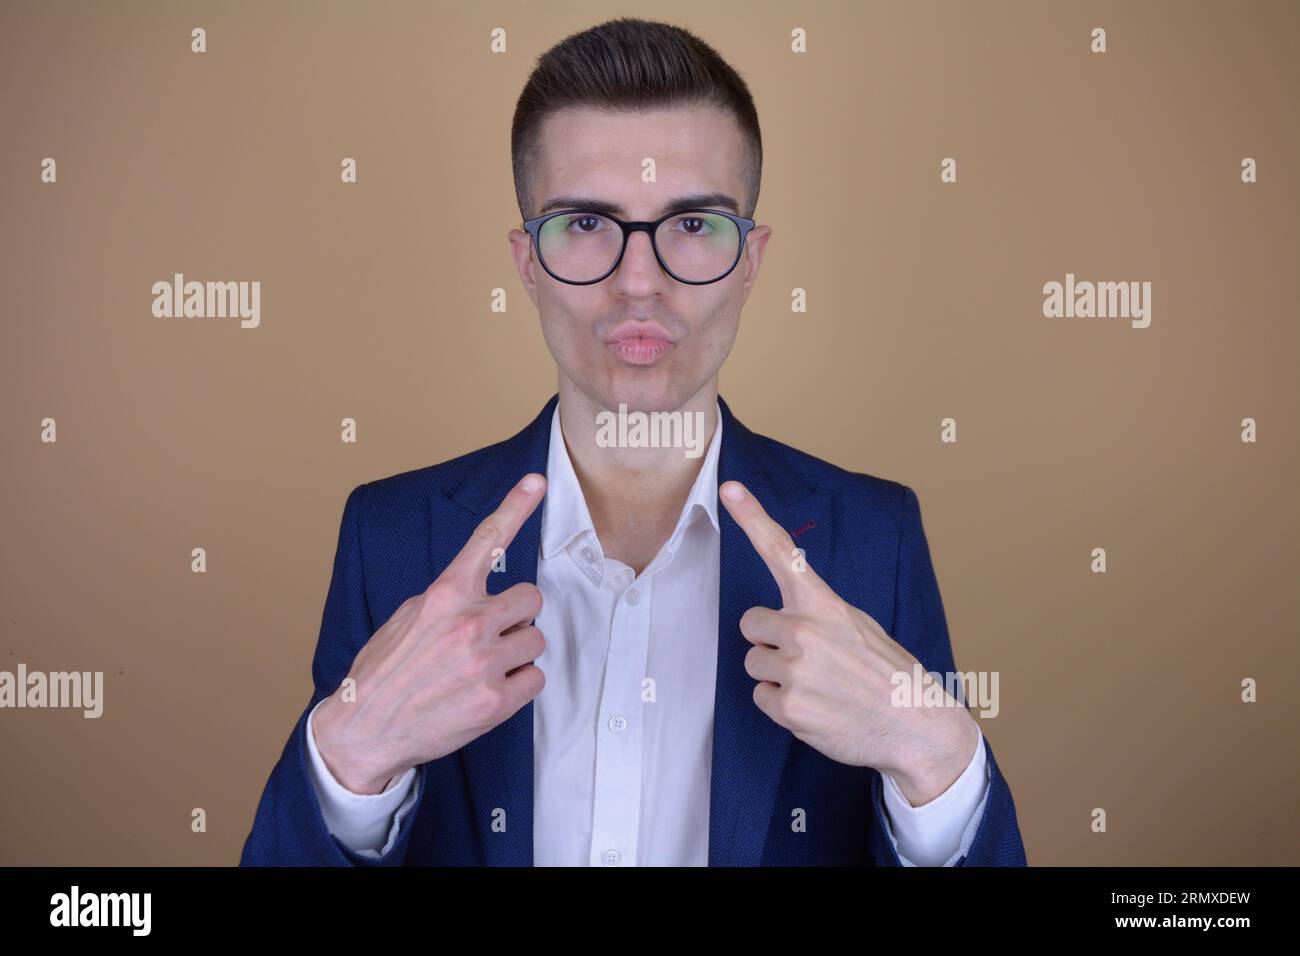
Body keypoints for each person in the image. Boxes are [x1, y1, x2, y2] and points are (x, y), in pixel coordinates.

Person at [240, 16, 1026, 867]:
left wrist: (938, 757)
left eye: (693, 225)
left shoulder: (875, 540)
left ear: (752, 259)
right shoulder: (390, 538)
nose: (639, 283)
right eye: (585, 225)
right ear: (526, 262)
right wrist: (349, 756)